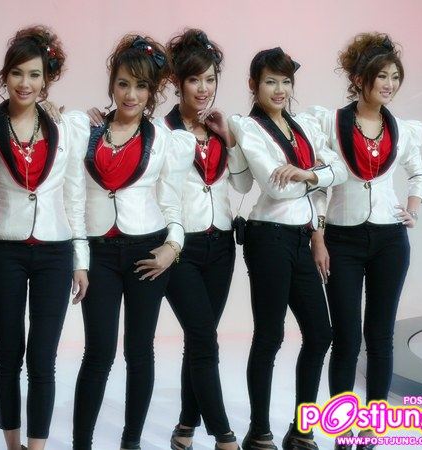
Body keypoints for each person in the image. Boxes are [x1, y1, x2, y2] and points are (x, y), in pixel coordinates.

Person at [72, 34, 195, 450]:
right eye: (123, 83)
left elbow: (173, 203)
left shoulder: (165, 139)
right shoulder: (86, 129)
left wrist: (172, 247)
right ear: (112, 83)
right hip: (100, 254)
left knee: (140, 352)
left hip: (148, 252)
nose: (131, 94)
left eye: (141, 86)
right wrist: (79, 259)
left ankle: (131, 442)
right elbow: (74, 200)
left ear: (153, 91)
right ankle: (82, 444)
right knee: (98, 353)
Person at [308, 32, 422, 450]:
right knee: (346, 337)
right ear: (359, 79)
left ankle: (373, 425)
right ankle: (342, 426)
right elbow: (319, 186)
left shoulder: (402, 130)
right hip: (341, 240)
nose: (389, 84)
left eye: (395, 76)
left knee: (380, 337)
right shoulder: (330, 123)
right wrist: (318, 236)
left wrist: (412, 208)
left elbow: (418, 173)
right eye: (382, 76)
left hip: (390, 240)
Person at [227, 47, 347, 450]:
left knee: (320, 333)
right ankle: (259, 431)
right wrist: (316, 177)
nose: (280, 89)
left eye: (285, 81)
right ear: (253, 85)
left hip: (301, 237)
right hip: (268, 238)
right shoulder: (248, 127)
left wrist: (308, 176)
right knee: (270, 335)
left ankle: (301, 429)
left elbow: (340, 171)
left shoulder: (304, 125)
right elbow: (274, 186)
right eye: (270, 81)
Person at [0, 26, 89, 450]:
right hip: (3, 250)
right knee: (8, 355)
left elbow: (74, 197)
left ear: (47, 79)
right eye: (17, 73)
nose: (25, 83)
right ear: (4, 76)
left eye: (35, 74)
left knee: (43, 358)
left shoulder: (64, 127)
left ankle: (37, 447)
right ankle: (12, 444)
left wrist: (81, 261)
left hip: (55, 252)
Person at [157, 28, 243, 450]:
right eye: (194, 80)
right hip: (181, 249)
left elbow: (242, 184)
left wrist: (229, 139)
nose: (204, 88)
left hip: (222, 245)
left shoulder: (219, 128)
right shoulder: (160, 130)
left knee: (200, 339)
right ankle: (224, 436)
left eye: (210, 79)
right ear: (177, 82)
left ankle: (185, 427)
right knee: (205, 340)